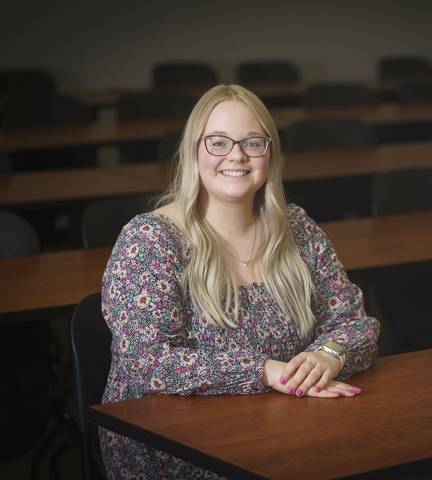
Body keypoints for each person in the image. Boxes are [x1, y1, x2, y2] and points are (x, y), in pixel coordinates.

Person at [100, 84, 380, 479]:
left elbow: (354, 323)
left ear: (270, 154)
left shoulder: (296, 227)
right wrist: (266, 371)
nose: (236, 156)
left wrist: (328, 356)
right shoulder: (151, 240)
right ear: (193, 151)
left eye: (252, 143)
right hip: (170, 445)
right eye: (218, 142)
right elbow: (147, 364)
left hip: (281, 426)